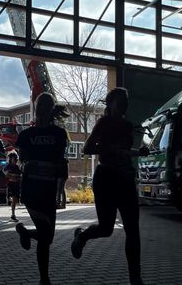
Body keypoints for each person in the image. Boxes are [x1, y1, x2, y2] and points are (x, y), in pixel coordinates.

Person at [70, 88, 148, 285]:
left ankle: (135, 278)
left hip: (126, 180)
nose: (125, 104)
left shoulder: (128, 125)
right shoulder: (103, 123)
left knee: (133, 231)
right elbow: (88, 148)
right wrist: (109, 149)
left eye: (127, 100)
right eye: (121, 100)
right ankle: (83, 236)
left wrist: (139, 152)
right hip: (106, 179)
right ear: (111, 103)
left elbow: (124, 151)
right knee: (106, 229)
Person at [14, 92, 69, 285]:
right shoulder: (26, 135)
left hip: (48, 191)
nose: (44, 110)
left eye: (48, 106)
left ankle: (25, 232)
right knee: (45, 235)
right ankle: (44, 279)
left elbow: (62, 165)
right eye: (41, 106)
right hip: (31, 190)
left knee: (48, 237)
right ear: (36, 109)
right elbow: (24, 161)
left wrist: (60, 193)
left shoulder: (59, 134)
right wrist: (35, 164)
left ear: (52, 109)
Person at [4, 152, 22, 222]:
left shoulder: (17, 167)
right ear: (10, 159)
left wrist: (15, 176)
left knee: (15, 200)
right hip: (10, 184)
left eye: (16, 159)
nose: (16, 160)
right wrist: (14, 176)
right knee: (13, 199)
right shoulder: (8, 166)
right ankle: (12, 214)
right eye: (14, 159)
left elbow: (20, 176)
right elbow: (6, 174)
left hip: (16, 185)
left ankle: (13, 214)